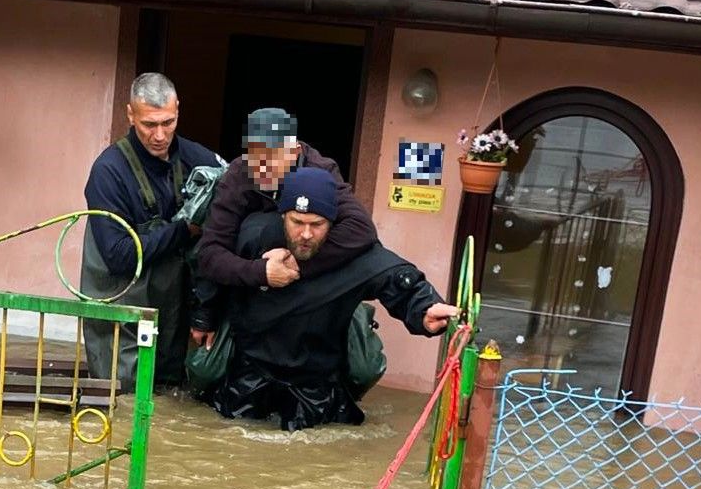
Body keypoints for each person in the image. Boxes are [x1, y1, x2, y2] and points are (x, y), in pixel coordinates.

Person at [199, 168, 457, 431]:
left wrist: (424, 308)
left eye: (317, 224)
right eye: (297, 222)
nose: (306, 234)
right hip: (250, 375)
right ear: (282, 216)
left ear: (332, 223)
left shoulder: (353, 255)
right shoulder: (253, 236)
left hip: (317, 384)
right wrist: (205, 316)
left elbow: (395, 277)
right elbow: (214, 268)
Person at [80, 72, 224, 387]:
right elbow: (119, 255)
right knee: (123, 396)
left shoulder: (197, 160)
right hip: (121, 311)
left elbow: (234, 204)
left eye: (168, 123)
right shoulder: (108, 172)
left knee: (172, 393)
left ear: (178, 110)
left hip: (173, 312)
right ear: (130, 115)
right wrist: (185, 230)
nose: (160, 135)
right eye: (149, 125)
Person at [192, 107, 377, 348]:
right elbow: (210, 252)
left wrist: (295, 261)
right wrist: (260, 273)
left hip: (310, 293)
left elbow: (361, 228)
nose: (262, 168)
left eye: (272, 158)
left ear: (295, 151)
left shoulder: (320, 170)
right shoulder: (238, 173)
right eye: (255, 157)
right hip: (248, 294)